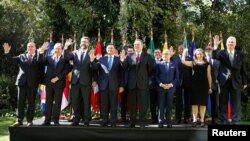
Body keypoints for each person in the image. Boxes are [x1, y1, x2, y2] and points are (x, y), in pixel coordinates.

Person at [2, 42, 47, 126]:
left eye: (31, 46)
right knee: (20, 102)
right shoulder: (21, 56)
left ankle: (29, 120)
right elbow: (11, 59)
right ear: (27, 48)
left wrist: (42, 51)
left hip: (33, 84)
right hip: (22, 83)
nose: (30, 48)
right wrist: (7, 52)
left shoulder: (39, 57)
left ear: (35, 48)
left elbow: (42, 62)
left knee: (31, 103)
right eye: (28, 47)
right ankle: (19, 120)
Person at [213, 35, 247, 125]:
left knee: (236, 103)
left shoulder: (240, 54)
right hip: (224, 81)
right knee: (223, 102)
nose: (230, 43)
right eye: (229, 42)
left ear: (235, 44)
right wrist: (215, 46)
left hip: (236, 81)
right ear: (226, 43)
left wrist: (245, 81)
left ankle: (236, 121)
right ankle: (223, 120)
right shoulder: (221, 53)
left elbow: (243, 68)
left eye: (232, 42)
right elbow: (214, 57)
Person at [120, 39, 154, 128]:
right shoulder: (129, 56)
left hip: (143, 84)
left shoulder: (148, 56)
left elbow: (150, 70)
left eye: (138, 44)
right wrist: (122, 59)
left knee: (143, 104)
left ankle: (142, 121)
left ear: (142, 46)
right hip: (132, 84)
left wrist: (146, 79)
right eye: (135, 44)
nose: (136, 46)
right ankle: (132, 121)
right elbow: (124, 67)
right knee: (132, 104)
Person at [64, 37, 96, 126]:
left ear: (88, 43)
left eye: (85, 42)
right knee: (75, 101)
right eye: (82, 41)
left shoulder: (91, 53)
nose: (83, 43)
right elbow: (66, 57)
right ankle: (76, 119)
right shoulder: (74, 53)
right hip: (75, 81)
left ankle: (86, 120)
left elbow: (95, 68)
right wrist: (66, 47)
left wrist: (94, 80)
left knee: (86, 102)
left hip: (86, 81)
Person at [40, 43, 71, 126]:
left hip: (59, 83)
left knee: (57, 102)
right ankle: (47, 120)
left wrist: (57, 78)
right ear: (53, 49)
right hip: (49, 83)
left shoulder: (65, 59)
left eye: (60, 48)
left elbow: (67, 70)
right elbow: (41, 61)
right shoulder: (48, 58)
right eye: (56, 48)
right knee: (48, 102)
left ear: (62, 50)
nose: (58, 50)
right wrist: (42, 51)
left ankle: (56, 120)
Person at [94, 43, 124, 127]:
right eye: (108, 48)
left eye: (111, 48)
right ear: (106, 50)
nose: (110, 49)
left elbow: (122, 73)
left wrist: (121, 85)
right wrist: (92, 60)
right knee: (104, 104)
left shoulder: (118, 59)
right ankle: (104, 120)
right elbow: (95, 68)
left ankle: (113, 121)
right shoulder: (101, 59)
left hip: (115, 85)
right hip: (103, 85)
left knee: (114, 104)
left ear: (114, 50)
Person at [182, 48, 212, 127]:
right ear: (195, 55)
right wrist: (184, 52)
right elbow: (183, 61)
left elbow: (209, 76)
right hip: (194, 85)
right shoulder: (193, 62)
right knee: (194, 103)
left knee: (203, 103)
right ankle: (195, 120)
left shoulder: (207, 64)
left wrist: (210, 87)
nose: (199, 55)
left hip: (204, 85)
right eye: (197, 54)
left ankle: (202, 120)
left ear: (203, 54)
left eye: (200, 53)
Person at [155, 49, 179, 128]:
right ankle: (160, 122)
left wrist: (171, 84)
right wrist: (161, 84)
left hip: (170, 89)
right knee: (161, 106)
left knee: (169, 106)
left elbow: (177, 77)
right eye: (164, 54)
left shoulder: (174, 64)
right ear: (162, 55)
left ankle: (169, 122)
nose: (165, 55)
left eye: (167, 54)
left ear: (170, 55)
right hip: (161, 89)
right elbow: (156, 76)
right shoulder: (158, 64)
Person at [172, 45, 192, 124]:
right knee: (178, 101)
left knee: (188, 101)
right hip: (178, 82)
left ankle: (187, 118)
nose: (181, 50)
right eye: (179, 48)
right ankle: (178, 118)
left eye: (182, 49)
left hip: (188, 82)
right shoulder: (174, 58)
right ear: (177, 50)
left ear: (185, 50)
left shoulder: (189, 58)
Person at [205, 45, 220, 124]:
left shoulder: (218, 62)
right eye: (207, 49)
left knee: (215, 103)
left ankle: (215, 119)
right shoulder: (202, 61)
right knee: (203, 102)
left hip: (215, 85)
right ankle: (202, 119)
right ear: (205, 51)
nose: (209, 50)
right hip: (204, 85)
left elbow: (220, 73)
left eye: (210, 49)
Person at [148, 48, 162, 124]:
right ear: (154, 54)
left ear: (161, 53)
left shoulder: (164, 60)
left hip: (162, 86)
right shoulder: (151, 61)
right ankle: (154, 119)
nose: (157, 53)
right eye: (155, 52)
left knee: (161, 103)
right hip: (152, 85)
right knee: (153, 104)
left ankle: (160, 119)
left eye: (158, 52)